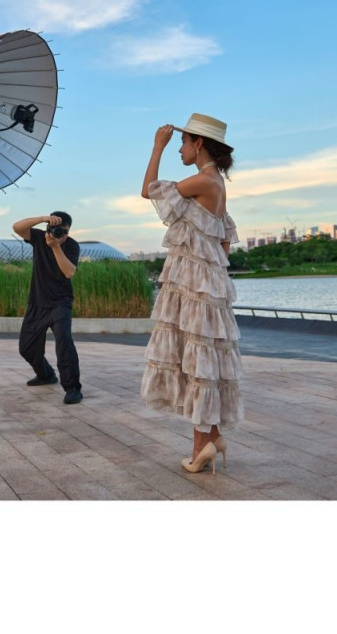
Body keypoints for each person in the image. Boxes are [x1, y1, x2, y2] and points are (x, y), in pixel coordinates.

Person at [140, 113, 244, 474]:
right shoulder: (216, 184)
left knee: (198, 361)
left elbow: (148, 190)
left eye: (183, 142)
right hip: (205, 283)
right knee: (200, 359)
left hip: (193, 285)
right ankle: (212, 438)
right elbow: (224, 242)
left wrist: (157, 147)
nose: (179, 149)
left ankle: (201, 448)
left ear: (199, 143)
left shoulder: (203, 180)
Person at [12, 211, 83, 404]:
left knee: (64, 344)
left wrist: (56, 246)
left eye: (64, 231)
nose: (60, 234)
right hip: (37, 302)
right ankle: (45, 375)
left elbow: (69, 272)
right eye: (55, 229)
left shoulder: (71, 245)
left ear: (69, 230)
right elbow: (17, 227)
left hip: (60, 303)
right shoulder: (39, 237)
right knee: (27, 348)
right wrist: (42, 219)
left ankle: (73, 388)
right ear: (48, 228)